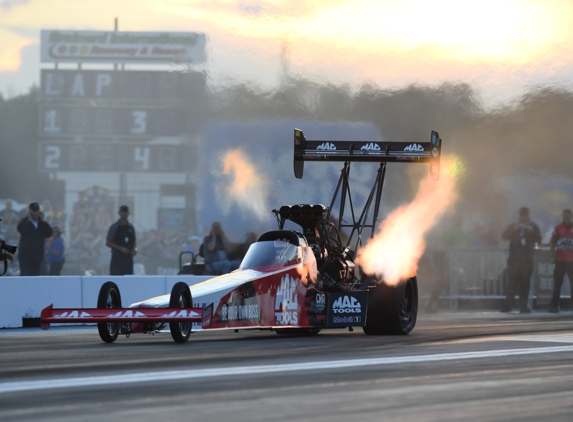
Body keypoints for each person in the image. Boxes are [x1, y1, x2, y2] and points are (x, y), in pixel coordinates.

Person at [500, 207, 542, 313]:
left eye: (525, 215)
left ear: (528, 215)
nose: (523, 217)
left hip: (527, 259)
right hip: (514, 258)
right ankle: (507, 306)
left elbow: (539, 239)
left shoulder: (533, 226)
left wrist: (532, 232)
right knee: (511, 283)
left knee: (525, 284)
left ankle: (523, 306)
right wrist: (514, 229)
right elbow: (504, 236)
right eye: (522, 215)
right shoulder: (513, 225)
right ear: (519, 215)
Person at [17, 202, 53, 276]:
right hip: (25, 256)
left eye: (37, 211)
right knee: (25, 275)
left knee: (34, 276)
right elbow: (22, 230)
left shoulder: (41, 223)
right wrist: (29, 220)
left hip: (36, 256)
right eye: (34, 211)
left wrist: (43, 221)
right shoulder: (24, 221)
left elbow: (48, 233)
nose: (36, 213)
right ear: (30, 212)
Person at [548, 209, 573, 313]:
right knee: (557, 284)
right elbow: (552, 243)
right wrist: (552, 256)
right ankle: (553, 306)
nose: (566, 218)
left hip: (572, 262)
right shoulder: (558, 228)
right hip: (560, 260)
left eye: (568, 216)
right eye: (564, 217)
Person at [106, 205, 137, 275]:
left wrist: (135, 249)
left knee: (128, 279)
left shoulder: (131, 227)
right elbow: (108, 242)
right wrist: (121, 248)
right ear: (119, 213)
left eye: (126, 211)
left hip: (128, 258)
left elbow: (134, 241)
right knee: (116, 279)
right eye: (123, 211)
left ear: (128, 213)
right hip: (118, 257)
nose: (124, 213)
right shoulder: (114, 227)